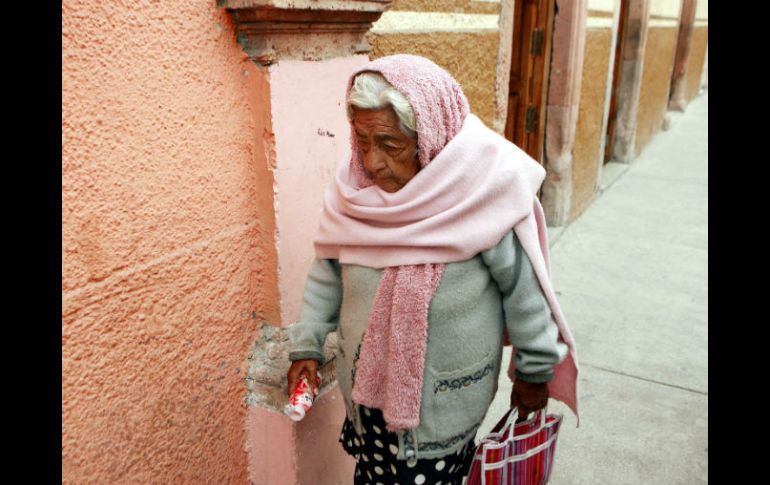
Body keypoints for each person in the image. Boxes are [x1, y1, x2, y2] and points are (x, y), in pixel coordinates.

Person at [286, 54, 579, 485]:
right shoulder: (355, 193)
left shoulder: (482, 191)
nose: (372, 162)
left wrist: (535, 370)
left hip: (442, 407)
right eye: (362, 140)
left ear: (430, 135)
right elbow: (327, 274)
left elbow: (525, 294)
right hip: (366, 402)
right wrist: (307, 347)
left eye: (390, 144)